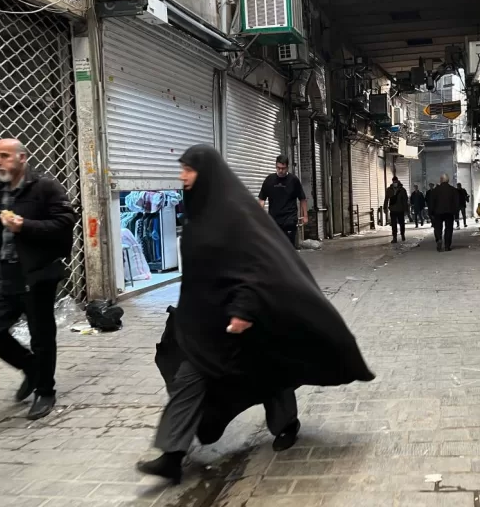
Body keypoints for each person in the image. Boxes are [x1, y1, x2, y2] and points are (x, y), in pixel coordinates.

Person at [138, 145, 374, 485]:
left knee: (268, 375)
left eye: (188, 169)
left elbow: (257, 264)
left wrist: (244, 310)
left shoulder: (234, 214)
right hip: (207, 325)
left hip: (243, 322)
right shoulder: (199, 212)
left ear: (206, 173)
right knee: (189, 379)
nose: (182, 175)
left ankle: (286, 424)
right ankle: (171, 456)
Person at [0, 138, 77, 420]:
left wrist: (24, 225)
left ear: (23, 158)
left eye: (5, 156)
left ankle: (45, 390)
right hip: (6, 273)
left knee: (41, 335)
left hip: (37, 273)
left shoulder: (45, 187)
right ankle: (32, 368)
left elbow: (64, 221)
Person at [258, 155, 308, 247]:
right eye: (278, 168)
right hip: (274, 220)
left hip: (289, 220)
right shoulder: (269, 180)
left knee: (289, 248)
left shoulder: (293, 180)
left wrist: (305, 216)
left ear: (287, 167)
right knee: (275, 248)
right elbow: (262, 199)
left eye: (283, 168)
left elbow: (302, 199)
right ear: (276, 166)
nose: (280, 170)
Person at [428, 174, 460, 252]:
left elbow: (431, 202)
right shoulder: (453, 190)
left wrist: (431, 213)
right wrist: (456, 215)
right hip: (449, 212)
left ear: (441, 180)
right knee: (449, 228)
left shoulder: (435, 191)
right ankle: (447, 246)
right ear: (448, 180)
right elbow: (456, 203)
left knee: (438, 227)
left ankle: (439, 239)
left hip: (437, 212)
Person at [383, 176, 409, 244]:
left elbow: (405, 200)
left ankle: (402, 234)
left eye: (396, 182)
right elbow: (386, 199)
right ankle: (394, 237)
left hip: (400, 209)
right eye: (394, 182)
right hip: (393, 209)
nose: (395, 183)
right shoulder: (389, 190)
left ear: (398, 181)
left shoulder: (402, 190)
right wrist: (385, 207)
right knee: (393, 224)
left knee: (401, 223)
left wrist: (406, 210)